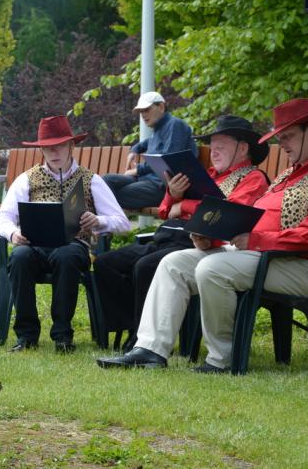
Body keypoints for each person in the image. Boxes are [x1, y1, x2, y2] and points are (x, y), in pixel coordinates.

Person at [97, 98, 308, 372]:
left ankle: (222, 359)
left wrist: (257, 240)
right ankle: (150, 350)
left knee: (212, 268)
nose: (281, 144)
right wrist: (210, 238)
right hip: (255, 254)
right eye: (280, 137)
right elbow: (247, 220)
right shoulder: (289, 173)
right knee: (173, 264)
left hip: (295, 264)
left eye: (288, 136)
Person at [93, 115, 270, 351]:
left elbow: (224, 214)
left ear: (243, 148)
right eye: (212, 146)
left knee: (145, 266)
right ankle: (128, 325)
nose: (214, 152)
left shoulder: (252, 178)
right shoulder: (208, 175)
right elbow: (166, 211)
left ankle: (139, 339)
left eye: (221, 146)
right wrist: (173, 194)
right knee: (106, 262)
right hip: (166, 236)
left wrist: (182, 206)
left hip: (198, 243)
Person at [0, 115, 130, 353]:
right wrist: (14, 233)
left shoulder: (90, 180)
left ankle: (62, 335)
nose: (54, 151)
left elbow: (123, 223)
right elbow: (1, 218)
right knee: (20, 257)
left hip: (73, 245)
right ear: (41, 150)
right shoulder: (27, 179)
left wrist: (98, 220)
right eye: (48, 147)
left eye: (59, 145)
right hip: (34, 246)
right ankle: (26, 336)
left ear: (71, 146)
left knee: (66, 257)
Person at [102, 91, 195, 209]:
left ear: (161, 107)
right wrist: (134, 150)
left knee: (112, 195)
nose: (143, 115)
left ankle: (102, 224)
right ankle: (102, 223)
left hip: (163, 186)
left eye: (147, 110)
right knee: (106, 181)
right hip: (146, 181)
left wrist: (137, 170)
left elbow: (167, 160)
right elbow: (146, 143)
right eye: (141, 112)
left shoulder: (175, 125)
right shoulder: (158, 129)